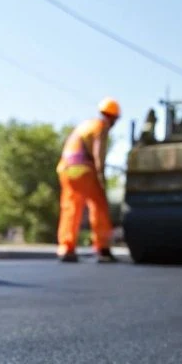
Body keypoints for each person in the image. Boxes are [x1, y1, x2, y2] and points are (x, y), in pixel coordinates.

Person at [56, 98, 120, 263]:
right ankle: (102, 248)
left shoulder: (86, 124)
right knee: (99, 205)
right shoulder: (101, 127)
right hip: (84, 169)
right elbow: (98, 153)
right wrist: (101, 176)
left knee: (70, 207)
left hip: (66, 168)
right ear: (113, 118)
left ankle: (66, 248)